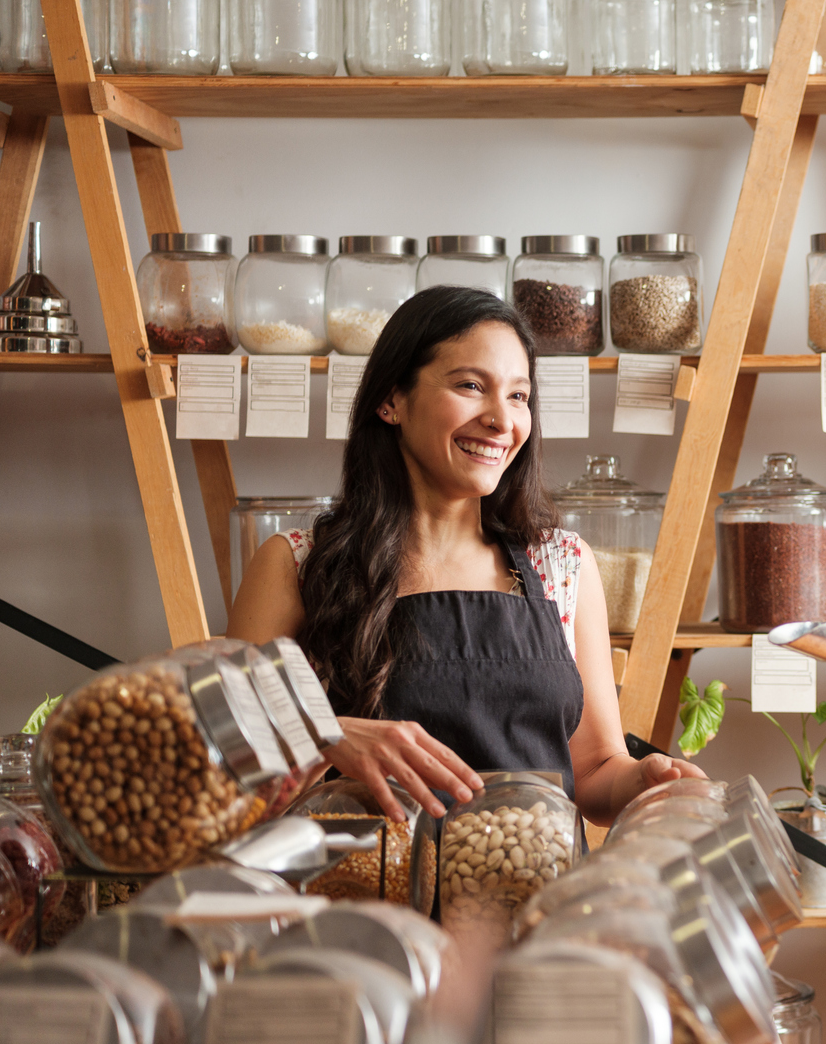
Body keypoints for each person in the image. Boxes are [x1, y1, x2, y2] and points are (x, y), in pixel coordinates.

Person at [227, 286, 702, 823]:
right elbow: (226, 771)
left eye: (519, 396)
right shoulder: (296, 564)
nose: (503, 421)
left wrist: (646, 780)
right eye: (472, 386)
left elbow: (594, 771)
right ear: (391, 400)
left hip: (535, 898)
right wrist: (323, 734)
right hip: (364, 898)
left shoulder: (561, 566)